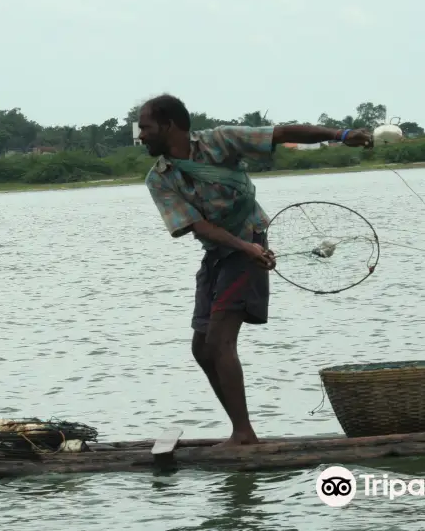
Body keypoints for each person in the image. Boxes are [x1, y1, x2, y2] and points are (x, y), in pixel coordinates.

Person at [138, 94, 372, 447]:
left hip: (249, 240)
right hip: (223, 251)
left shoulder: (220, 141)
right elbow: (198, 227)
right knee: (201, 349)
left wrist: (340, 135)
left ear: (169, 125)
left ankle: (243, 434)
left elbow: (279, 133)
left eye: (146, 127)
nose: (141, 135)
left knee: (219, 342)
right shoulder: (160, 178)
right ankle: (241, 430)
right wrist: (244, 248)